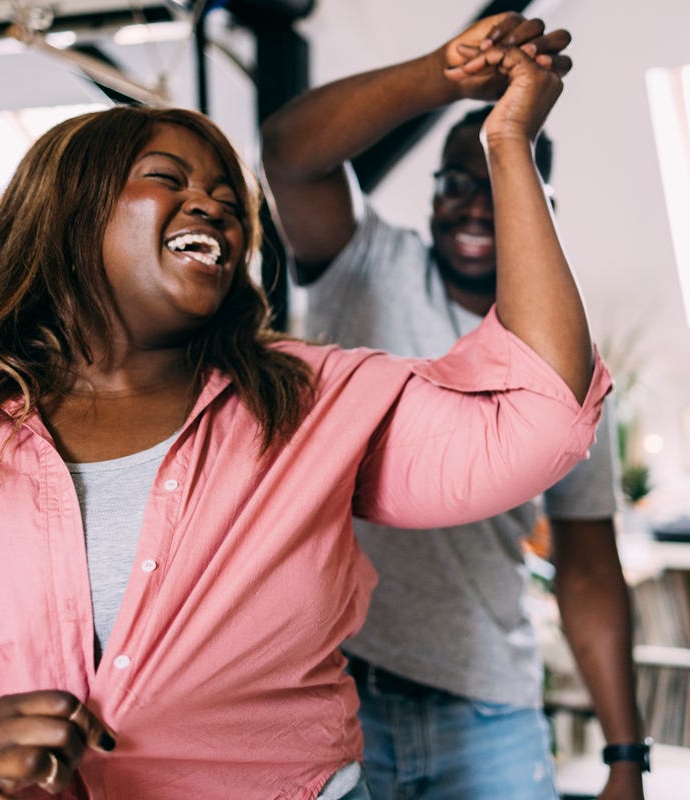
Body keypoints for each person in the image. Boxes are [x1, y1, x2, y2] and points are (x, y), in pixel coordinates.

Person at [0, 55, 609, 800]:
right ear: (67, 215)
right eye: (168, 177)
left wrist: (510, 144)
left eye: (225, 196)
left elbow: (540, 412)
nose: (213, 202)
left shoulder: (312, 401)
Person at [261, 12, 645, 800]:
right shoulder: (369, 267)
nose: (472, 205)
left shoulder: (565, 360)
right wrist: (442, 74)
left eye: (494, 183)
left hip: (488, 704)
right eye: (453, 183)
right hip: (334, 685)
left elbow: (588, 566)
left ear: (538, 202)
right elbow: (289, 156)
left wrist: (624, 756)